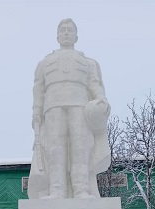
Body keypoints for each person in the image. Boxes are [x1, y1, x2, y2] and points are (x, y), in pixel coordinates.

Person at [27, 18, 111, 199]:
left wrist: (101, 100)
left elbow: (94, 85)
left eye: (70, 30)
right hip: (53, 108)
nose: (66, 33)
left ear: (76, 36)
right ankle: (57, 190)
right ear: (57, 36)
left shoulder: (87, 62)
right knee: (55, 149)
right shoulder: (45, 62)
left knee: (80, 148)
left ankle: (81, 189)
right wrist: (36, 112)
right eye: (62, 30)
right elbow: (38, 89)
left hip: (80, 107)